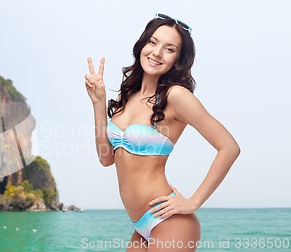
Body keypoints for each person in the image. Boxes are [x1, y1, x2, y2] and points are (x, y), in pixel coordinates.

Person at [85, 13, 240, 251]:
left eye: (169, 49)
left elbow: (229, 147)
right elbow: (106, 158)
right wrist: (98, 103)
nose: (157, 53)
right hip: (140, 225)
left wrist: (193, 202)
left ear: (177, 59)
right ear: (142, 45)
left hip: (169, 222)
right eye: (153, 42)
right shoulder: (128, 97)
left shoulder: (176, 96)